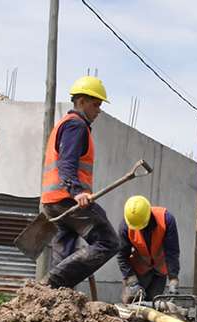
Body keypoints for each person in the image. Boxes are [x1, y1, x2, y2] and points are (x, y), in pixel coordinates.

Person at [41, 75, 120, 289]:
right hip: (69, 200)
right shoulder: (76, 126)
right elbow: (67, 162)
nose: (99, 110)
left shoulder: (65, 124)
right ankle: (50, 284)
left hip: (52, 202)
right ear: (81, 101)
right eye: (95, 104)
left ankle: (52, 297)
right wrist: (77, 191)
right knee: (108, 242)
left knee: (63, 255)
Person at [117, 195, 181, 303]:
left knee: (154, 306)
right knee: (131, 304)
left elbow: (172, 252)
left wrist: (173, 278)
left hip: (160, 270)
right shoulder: (126, 226)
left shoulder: (166, 220)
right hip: (138, 270)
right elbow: (122, 256)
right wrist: (131, 280)